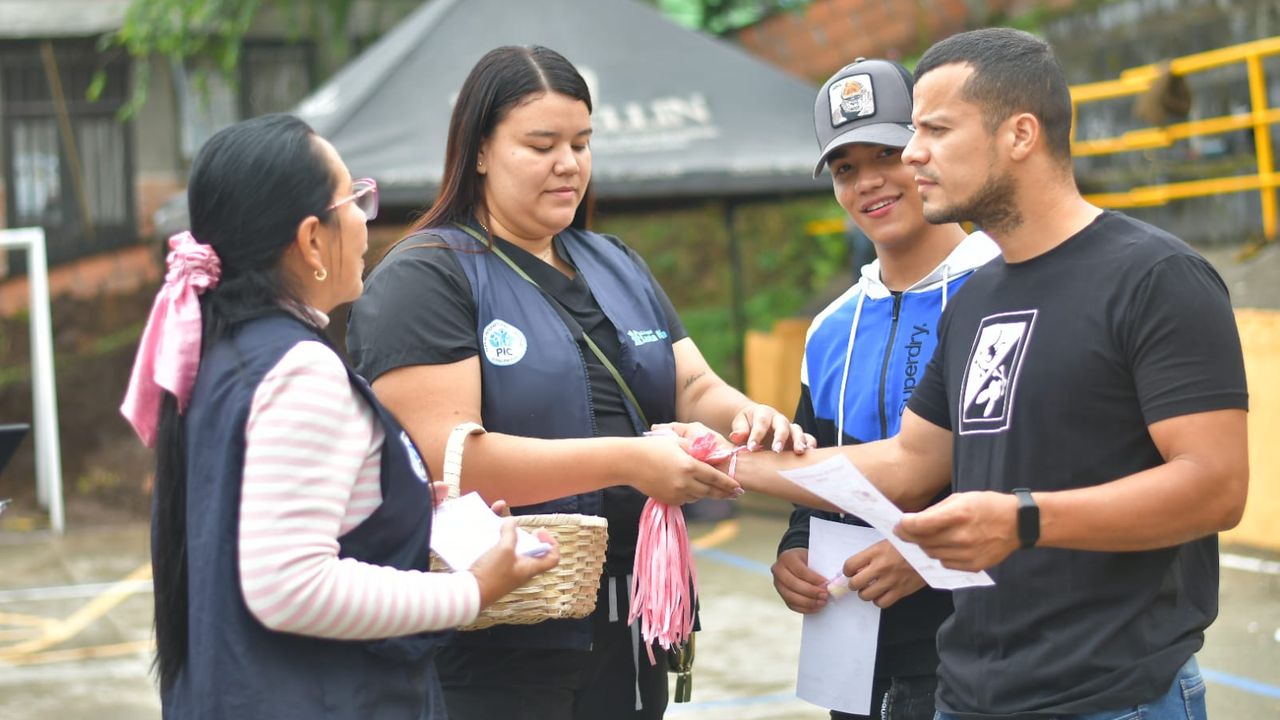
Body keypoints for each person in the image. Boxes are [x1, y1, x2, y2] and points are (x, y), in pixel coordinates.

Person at [693, 28, 1248, 720]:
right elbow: (904, 465)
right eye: (847, 165)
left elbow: (1218, 487)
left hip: (1110, 695)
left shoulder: (1156, 277)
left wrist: (1023, 520)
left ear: (1019, 135)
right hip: (970, 690)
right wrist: (714, 461)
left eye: (929, 132)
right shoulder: (977, 299)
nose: (911, 156)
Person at [345, 45, 806, 720]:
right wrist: (632, 461)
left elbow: (692, 385)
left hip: (633, 621)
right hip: (498, 642)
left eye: (582, 143)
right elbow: (455, 464)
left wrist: (749, 417)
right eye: (541, 144)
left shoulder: (613, 260)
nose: (569, 164)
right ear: (478, 151)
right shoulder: (426, 277)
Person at [120, 114, 560, 720]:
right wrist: (473, 589)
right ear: (310, 240)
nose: (364, 218)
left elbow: (251, 522)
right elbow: (288, 587)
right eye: (354, 199)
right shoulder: (300, 371)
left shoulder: (221, 354)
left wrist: (399, 510)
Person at [773, 58, 998, 720]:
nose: (869, 180)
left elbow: (1033, 470)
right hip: (855, 654)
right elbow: (815, 466)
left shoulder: (1002, 289)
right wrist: (794, 548)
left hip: (974, 654)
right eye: (845, 168)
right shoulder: (829, 327)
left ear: (926, 149)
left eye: (888, 153)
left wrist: (922, 556)